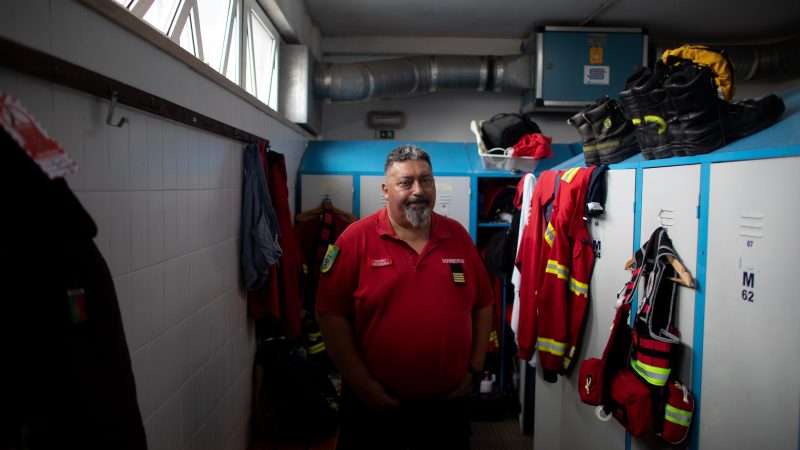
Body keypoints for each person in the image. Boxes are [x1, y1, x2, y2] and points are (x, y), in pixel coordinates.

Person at [315, 145, 494, 449]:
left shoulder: (458, 236)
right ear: (385, 190)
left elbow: (483, 304)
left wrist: (474, 370)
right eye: (406, 182)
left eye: (426, 180)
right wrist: (362, 384)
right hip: (375, 407)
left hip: (446, 408)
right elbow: (330, 315)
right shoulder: (355, 239)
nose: (418, 190)